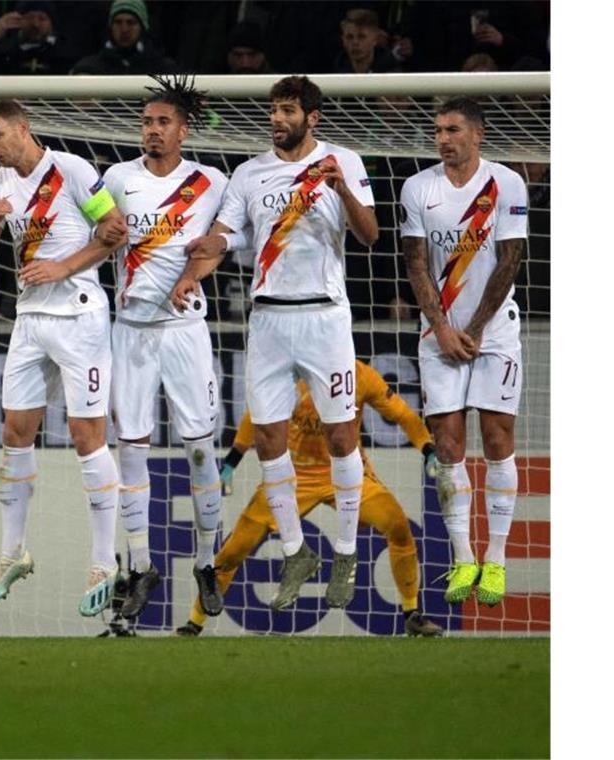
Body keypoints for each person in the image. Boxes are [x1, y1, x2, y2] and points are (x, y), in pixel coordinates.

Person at [183, 75, 379, 610]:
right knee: (269, 439)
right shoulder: (249, 173)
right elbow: (229, 233)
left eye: (288, 110)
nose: (278, 118)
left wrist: (339, 187)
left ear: (312, 117)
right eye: (274, 109)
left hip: (324, 317)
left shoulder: (345, 162)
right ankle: (296, 551)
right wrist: (205, 254)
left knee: (342, 438)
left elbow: (370, 235)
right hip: (267, 318)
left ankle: (345, 551)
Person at [0, 99, 128, 617]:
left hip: (79, 317)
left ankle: (105, 561)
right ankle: (12, 552)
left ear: (22, 128)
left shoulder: (73, 169)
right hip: (30, 319)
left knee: (87, 436)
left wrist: (64, 266)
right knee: (15, 432)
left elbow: (115, 231)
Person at [176, 360, 445, 638]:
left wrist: (428, 449)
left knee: (398, 526)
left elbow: (403, 415)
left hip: (347, 473)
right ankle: (193, 623)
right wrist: (232, 461)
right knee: (233, 551)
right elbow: (256, 417)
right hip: (292, 477)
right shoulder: (290, 374)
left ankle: (412, 614)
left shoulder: (362, 376)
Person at [99, 75, 229, 620]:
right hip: (130, 329)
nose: (152, 131)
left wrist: (195, 273)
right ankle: (141, 563)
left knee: (201, 449)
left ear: (184, 129)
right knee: (131, 449)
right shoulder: (115, 178)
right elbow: (98, 229)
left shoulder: (212, 181)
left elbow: (218, 243)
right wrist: (101, 234)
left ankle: (205, 561)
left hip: (184, 332)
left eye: (162, 123)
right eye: (147, 122)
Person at [399, 97, 528, 607]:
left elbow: (510, 259)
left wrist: (473, 327)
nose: (443, 139)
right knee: (448, 446)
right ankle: (462, 558)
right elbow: (414, 263)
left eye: (453, 130)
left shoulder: (507, 183)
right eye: (438, 131)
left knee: (497, 439)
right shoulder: (418, 188)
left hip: (493, 332)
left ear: (478, 134)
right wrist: (443, 327)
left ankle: (495, 560)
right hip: (439, 336)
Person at [0, 2, 76, 76]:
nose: (35, 24)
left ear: (51, 23)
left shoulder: (66, 53)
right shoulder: (4, 52)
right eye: (29, 17)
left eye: (42, 18)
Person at [71, 0, 179, 76]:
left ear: (142, 26)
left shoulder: (164, 69)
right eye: (118, 22)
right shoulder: (88, 68)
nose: (124, 29)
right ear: (110, 27)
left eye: (131, 22)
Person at [333, 8, 401, 74]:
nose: (355, 42)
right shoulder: (334, 74)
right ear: (343, 40)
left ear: (375, 39)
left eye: (361, 37)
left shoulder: (393, 75)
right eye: (349, 37)